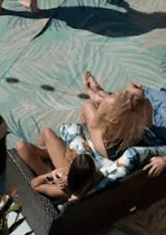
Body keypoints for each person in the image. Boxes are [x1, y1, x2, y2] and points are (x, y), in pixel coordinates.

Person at [16, 71, 153, 175]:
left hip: (103, 148)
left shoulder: (111, 102)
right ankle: (47, 154)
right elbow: (126, 108)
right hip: (118, 149)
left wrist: (101, 103)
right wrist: (100, 95)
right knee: (99, 105)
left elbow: (95, 124)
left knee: (86, 108)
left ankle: (49, 172)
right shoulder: (144, 110)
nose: (139, 85)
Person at [29, 152, 101, 204]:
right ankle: (48, 159)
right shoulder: (94, 176)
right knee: (47, 134)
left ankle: (48, 162)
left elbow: (34, 185)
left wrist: (50, 175)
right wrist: (52, 174)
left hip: (68, 189)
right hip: (69, 183)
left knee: (23, 146)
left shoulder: (64, 189)